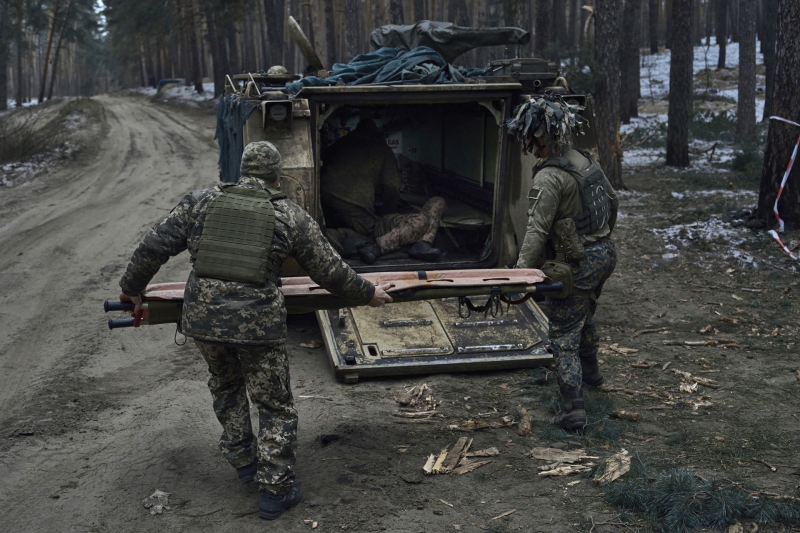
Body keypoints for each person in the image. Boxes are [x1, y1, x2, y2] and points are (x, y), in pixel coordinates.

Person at [117, 141, 392, 519]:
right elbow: (330, 272)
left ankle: (244, 462)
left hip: (204, 322)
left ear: (242, 171)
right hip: (257, 327)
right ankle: (275, 491)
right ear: (278, 178)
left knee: (226, 386)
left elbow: (153, 246)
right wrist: (368, 294)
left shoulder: (200, 202)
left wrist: (131, 289)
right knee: (274, 404)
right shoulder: (289, 215)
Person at [505, 94, 619, 430]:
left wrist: (518, 276)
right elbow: (612, 201)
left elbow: (536, 231)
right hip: (605, 253)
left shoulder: (549, 177)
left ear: (543, 136)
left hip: (577, 263)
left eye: (530, 137)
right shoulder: (583, 159)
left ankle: (573, 410)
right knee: (583, 314)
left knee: (563, 333)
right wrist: (599, 238)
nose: (527, 144)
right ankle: (593, 375)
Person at [320, 118, 446, 264]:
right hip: (363, 218)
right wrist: (389, 213)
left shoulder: (338, 145)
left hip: (326, 202)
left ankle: (422, 244)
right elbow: (392, 188)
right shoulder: (381, 149)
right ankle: (377, 248)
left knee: (438, 202)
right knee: (421, 220)